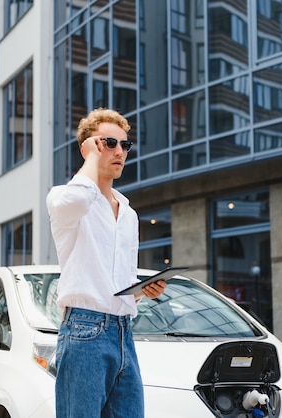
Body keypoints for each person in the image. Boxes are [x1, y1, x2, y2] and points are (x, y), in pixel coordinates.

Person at [46, 108, 166, 417]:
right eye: (108, 143)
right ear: (89, 146)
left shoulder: (128, 213)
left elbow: (117, 284)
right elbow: (79, 198)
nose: (119, 151)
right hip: (85, 332)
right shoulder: (64, 198)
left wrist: (142, 291)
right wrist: (89, 159)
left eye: (124, 145)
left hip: (124, 332)